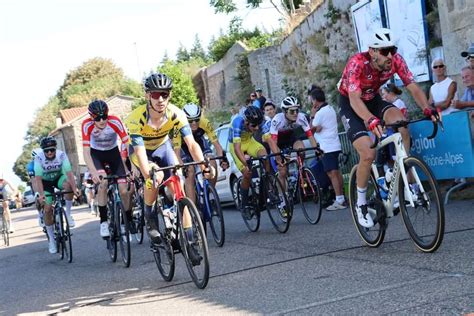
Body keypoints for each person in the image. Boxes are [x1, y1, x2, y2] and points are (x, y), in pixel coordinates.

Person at [338, 28, 440, 228]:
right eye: (385, 51)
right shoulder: (357, 63)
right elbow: (354, 98)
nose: (390, 55)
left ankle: (397, 172)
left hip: (373, 99)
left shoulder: (396, 61)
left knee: (401, 124)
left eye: (392, 49)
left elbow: (412, 86)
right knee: (368, 153)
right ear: (373, 51)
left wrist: (428, 109)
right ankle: (360, 204)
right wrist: (370, 120)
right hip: (351, 104)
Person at [125, 73, 213, 266]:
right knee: (153, 179)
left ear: (169, 95)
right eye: (156, 95)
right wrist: (149, 173)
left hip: (163, 147)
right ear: (148, 95)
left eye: (164, 94)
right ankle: (150, 217)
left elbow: (191, 144)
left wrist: (204, 164)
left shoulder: (176, 113)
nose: (160, 99)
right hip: (142, 151)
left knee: (179, 187)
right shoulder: (136, 118)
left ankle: (190, 241)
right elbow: (140, 153)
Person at [82, 99, 133, 238]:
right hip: (96, 155)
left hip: (113, 153)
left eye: (104, 116)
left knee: (124, 190)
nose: (102, 120)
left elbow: (128, 144)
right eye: (98, 118)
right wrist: (93, 172)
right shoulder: (86, 125)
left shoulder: (115, 121)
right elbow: (86, 153)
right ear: (91, 117)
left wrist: (133, 166)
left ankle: (127, 219)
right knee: (103, 183)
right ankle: (104, 222)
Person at [174, 103, 228, 205]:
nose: (194, 123)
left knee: (212, 162)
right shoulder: (178, 126)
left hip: (200, 143)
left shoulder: (205, 122)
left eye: (196, 120)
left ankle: (209, 191)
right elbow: (176, 152)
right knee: (189, 171)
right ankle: (193, 208)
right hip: (183, 147)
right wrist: (181, 165)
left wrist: (222, 159)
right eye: (190, 121)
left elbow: (216, 144)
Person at [229, 106, 279, 218]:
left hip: (250, 142)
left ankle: (267, 186)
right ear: (246, 122)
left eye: (258, 124)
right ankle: (244, 204)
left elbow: (270, 140)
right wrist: (245, 164)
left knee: (265, 156)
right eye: (253, 125)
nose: (257, 128)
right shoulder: (238, 122)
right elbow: (237, 149)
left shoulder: (259, 121)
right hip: (236, 145)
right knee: (247, 173)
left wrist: (277, 158)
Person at [35, 136, 80, 254]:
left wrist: (75, 189)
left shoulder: (61, 155)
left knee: (68, 186)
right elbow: (38, 179)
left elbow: (69, 174)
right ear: (43, 151)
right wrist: (41, 195)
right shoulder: (38, 158)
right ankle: (51, 240)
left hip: (58, 178)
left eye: (52, 150)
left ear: (55, 149)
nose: (49, 152)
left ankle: (69, 215)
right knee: (48, 208)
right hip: (45, 183)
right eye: (46, 151)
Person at [269, 96, 319, 193]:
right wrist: (279, 157)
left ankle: (300, 171)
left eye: (297, 110)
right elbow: (273, 142)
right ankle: (282, 198)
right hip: (277, 141)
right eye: (292, 111)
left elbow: (310, 135)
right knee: (282, 171)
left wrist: (316, 149)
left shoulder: (301, 117)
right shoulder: (277, 120)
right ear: (285, 112)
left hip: (291, 137)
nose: (295, 113)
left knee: (301, 150)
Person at [309, 87, 346, 211]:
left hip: (326, 147)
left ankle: (339, 199)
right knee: (336, 172)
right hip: (334, 145)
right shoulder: (330, 109)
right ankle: (341, 197)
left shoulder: (319, 113)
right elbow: (318, 128)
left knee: (332, 174)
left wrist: (312, 116)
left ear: (315, 100)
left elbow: (310, 129)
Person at [27, 148, 44, 227]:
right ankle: (40, 214)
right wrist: (38, 193)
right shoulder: (30, 166)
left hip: (46, 181)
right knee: (37, 197)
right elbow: (33, 180)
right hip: (37, 183)